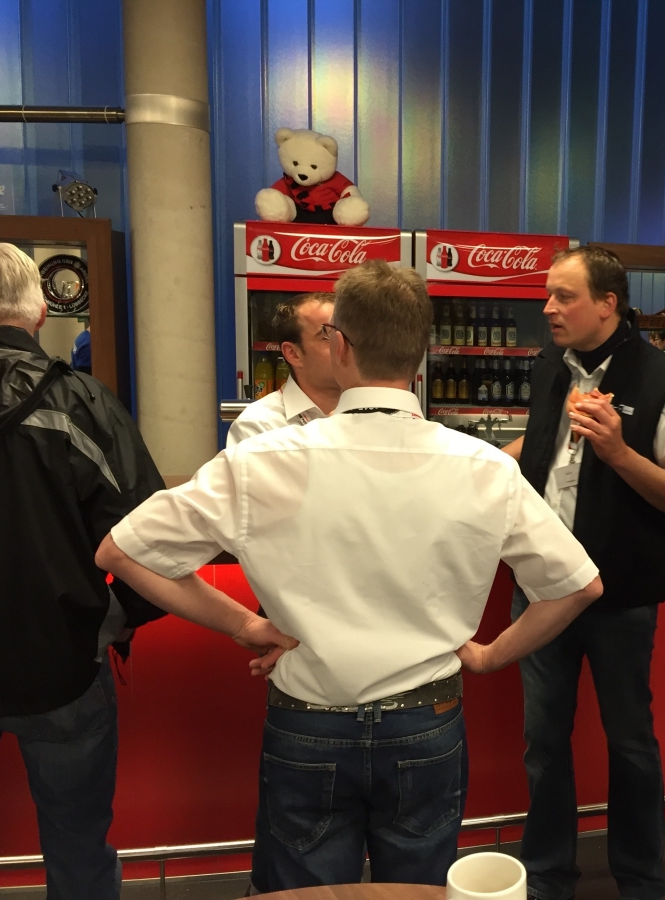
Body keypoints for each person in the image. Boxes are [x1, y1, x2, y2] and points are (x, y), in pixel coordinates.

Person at [96, 259, 603, 894]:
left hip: (309, 721)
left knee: (303, 893)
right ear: (421, 355)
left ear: (339, 346)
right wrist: (489, 655)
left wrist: (246, 625)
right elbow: (578, 585)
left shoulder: (260, 459)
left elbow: (122, 552)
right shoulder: (484, 465)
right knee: (417, 893)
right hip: (427, 719)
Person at [502, 246, 665, 900]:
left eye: (564, 296)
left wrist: (619, 453)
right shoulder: (550, 366)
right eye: (548, 295)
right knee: (542, 743)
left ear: (607, 304)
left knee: (630, 744)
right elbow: (539, 448)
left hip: (620, 598)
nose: (548, 308)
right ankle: (548, 879)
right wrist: (472, 465)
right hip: (541, 591)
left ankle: (641, 882)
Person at [0, 242, 167, 899]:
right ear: (38, 312)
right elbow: (149, 534)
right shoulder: (78, 400)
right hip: (61, 663)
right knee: (79, 848)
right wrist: (121, 617)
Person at [228, 292, 339, 448]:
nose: (346, 346)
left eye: (348, 335)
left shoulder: (370, 412)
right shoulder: (258, 426)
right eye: (330, 336)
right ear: (293, 354)